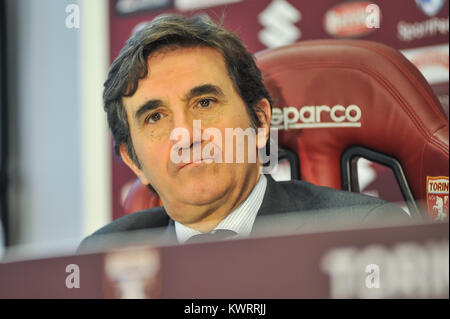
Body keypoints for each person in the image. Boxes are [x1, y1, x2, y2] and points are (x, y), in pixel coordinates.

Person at [78, 14, 409, 252]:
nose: (185, 136)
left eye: (204, 102)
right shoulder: (105, 256)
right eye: (154, 117)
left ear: (260, 122)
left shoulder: (366, 236)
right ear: (134, 162)